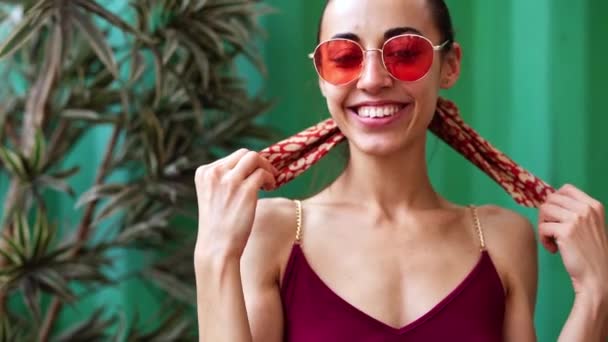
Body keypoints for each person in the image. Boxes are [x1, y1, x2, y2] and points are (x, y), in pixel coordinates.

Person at [193, 0, 608, 340]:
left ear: (450, 65)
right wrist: (213, 256)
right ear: (321, 76)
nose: (372, 80)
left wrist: (595, 295)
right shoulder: (272, 233)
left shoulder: (502, 239)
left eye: (406, 53)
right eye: (343, 57)